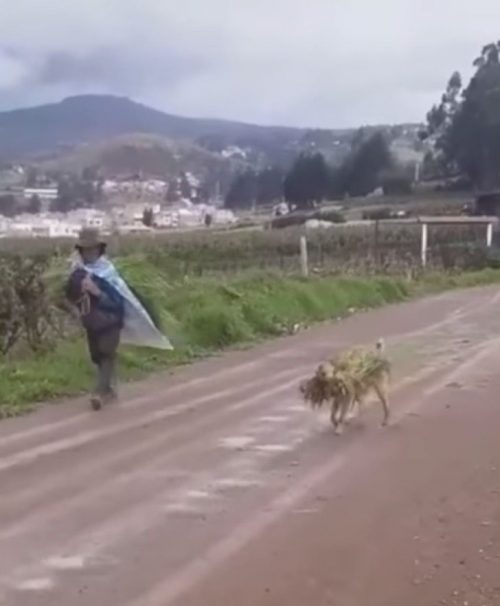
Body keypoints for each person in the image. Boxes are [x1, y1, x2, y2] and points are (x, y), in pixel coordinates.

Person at [66, 229, 125, 411]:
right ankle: (110, 388)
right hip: (92, 323)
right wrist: (78, 294)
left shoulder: (108, 272)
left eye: (93, 249)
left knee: (106, 351)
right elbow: (69, 296)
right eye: (86, 250)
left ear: (99, 250)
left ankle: (100, 392)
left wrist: (96, 291)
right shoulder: (77, 273)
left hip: (110, 321)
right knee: (97, 356)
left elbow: (118, 301)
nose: (89, 253)